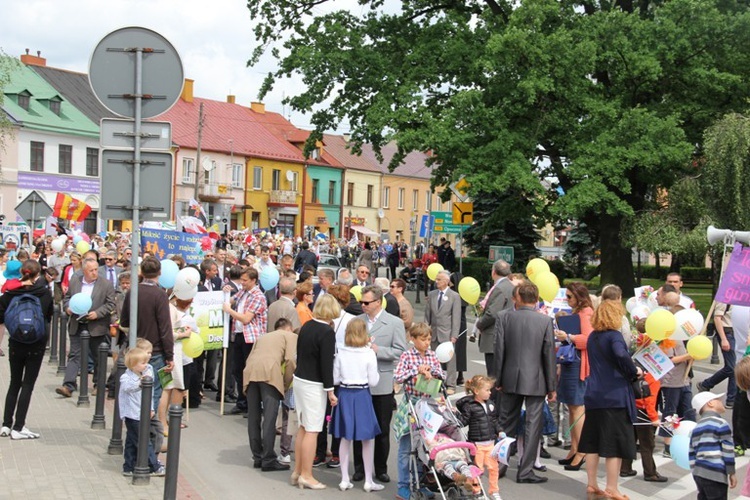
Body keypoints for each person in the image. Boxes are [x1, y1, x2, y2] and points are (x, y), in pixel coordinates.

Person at [578, 300, 641, 500]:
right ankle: (612, 487)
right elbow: (621, 355)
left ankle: (592, 483)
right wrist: (634, 371)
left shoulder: (593, 337)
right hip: (614, 395)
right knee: (614, 443)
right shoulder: (614, 336)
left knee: (592, 441)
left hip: (594, 393)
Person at [494, 281, 556, 484]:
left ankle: (500, 466)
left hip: (510, 376)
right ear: (536, 299)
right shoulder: (545, 321)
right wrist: (551, 386)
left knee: (506, 423)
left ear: (518, 298)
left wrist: (499, 379)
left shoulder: (504, 317)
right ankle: (525, 470)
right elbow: (549, 355)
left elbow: (499, 351)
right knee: (532, 425)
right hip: (536, 379)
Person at [352, 285, 408, 484]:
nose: (363, 306)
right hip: (359, 381)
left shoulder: (394, 323)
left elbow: (401, 351)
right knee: (359, 427)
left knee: (382, 428)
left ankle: (381, 468)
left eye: (366, 302)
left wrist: (378, 350)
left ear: (378, 302)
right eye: (361, 302)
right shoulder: (357, 321)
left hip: (382, 380)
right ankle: (359, 467)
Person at [291, 294, 341, 490]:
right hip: (314, 384)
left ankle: (297, 471)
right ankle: (306, 474)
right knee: (312, 429)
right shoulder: (326, 332)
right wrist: (330, 392)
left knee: (303, 427)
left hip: (300, 379)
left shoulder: (307, 326)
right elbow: (326, 364)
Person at [0, 260, 54, 439]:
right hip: (36, 344)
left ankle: (6, 424)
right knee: (28, 385)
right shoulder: (44, 293)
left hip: (15, 343)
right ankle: (19, 427)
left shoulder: (11, 292)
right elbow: (48, 316)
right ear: (37, 274)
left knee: (14, 382)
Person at [330, 318, 383, 492]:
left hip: (345, 394)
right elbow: (374, 381)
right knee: (367, 438)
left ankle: (344, 479)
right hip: (362, 395)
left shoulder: (340, 353)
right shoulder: (368, 353)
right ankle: (369, 480)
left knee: (345, 438)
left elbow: (335, 379)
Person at [393, 323, 444, 500]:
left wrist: (433, 371)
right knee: (407, 448)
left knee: (425, 448)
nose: (427, 343)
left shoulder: (432, 355)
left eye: (429, 339)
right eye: (423, 339)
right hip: (411, 405)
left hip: (428, 405)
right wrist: (417, 370)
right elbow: (398, 376)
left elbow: (442, 375)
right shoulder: (407, 355)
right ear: (413, 339)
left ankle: (420, 483)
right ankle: (403, 486)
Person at [119, 257, 174, 411]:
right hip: (154, 351)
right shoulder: (160, 295)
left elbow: (124, 321)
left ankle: (138, 423)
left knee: (135, 389)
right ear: (160, 273)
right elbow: (165, 327)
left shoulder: (133, 292)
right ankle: (147, 426)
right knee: (154, 390)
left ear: (142, 272)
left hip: (135, 348)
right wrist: (170, 355)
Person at [57, 258, 116, 398]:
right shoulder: (75, 281)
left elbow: (110, 304)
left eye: (96, 269)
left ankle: (98, 385)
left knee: (98, 356)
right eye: (91, 270)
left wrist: (98, 313)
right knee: (74, 355)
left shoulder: (106, 284)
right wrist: (68, 308)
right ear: (84, 271)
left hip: (96, 325)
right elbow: (67, 298)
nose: (95, 273)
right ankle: (68, 385)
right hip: (77, 323)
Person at [243, 318, 298, 472]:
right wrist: (286, 384)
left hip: (250, 371)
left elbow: (250, 357)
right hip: (270, 373)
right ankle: (268, 458)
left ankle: (258, 456)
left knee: (253, 416)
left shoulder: (263, 336)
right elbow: (291, 361)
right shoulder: (291, 336)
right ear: (290, 328)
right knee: (269, 417)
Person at [553, 282, 594, 471]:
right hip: (572, 362)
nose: (567, 300)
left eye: (569, 296)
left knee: (577, 408)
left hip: (579, 364)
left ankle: (582, 451)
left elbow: (588, 340)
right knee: (572, 407)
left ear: (579, 296)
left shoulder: (586, 313)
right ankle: (575, 448)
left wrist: (568, 337)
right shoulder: (579, 313)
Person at [222, 266, 268, 416]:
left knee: (250, 373)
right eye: (241, 280)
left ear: (254, 280)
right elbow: (231, 300)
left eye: (245, 280)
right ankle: (242, 402)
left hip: (251, 338)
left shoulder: (258, 296)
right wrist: (226, 292)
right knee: (238, 370)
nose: (242, 283)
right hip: (240, 335)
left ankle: (253, 405)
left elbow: (246, 318)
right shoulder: (244, 291)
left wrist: (229, 311)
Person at [119, 347, 165, 477]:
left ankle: (128, 466)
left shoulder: (146, 374)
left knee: (131, 441)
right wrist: (140, 384)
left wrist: (150, 409)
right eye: (143, 363)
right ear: (133, 365)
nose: (146, 365)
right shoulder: (126, 377)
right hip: (132, 415)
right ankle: (153, 466)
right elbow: (127, 388)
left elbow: (148, 395)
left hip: (142, 413)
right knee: (143, 441)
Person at [456, 375, 503, 500]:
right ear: (477, 391)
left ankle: (494, 491)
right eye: (487, 390)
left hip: (491, 442)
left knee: (494, 468)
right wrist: (455, 414)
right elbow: (463, 421)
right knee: (478, 469)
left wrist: (500, 431)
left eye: (490, 390)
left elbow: (494, 420)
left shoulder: (490, 404)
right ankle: (477, 491)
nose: (490, 393)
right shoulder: (470, 406)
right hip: (477, 444)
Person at [618, 372, 667, 482]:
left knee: (630, 440)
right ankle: (650, 473)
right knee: (647, 445)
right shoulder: (653, 379)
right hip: (644, 413)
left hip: (630, 409)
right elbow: (649, 400)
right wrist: (654, 418)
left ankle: (625, 468)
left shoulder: (633, 374)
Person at [690, 391, 736, 499]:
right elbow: (728, 450)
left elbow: (691, 453)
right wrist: (731, 472)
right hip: (716, 472)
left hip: (699, 472)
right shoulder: (721, 423)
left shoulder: (696, 427)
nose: (722, 402)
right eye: (718, 400)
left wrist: (695, 473)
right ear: (710, 403)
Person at [657, 336, 696, 458]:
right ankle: (668, 446)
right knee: (670, 414)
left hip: (684, 380)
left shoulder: (682, 337)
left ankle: (688, 441)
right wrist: (689, 356)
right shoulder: (667, 338)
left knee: (688, 411)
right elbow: (670, 359)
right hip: (671, 381)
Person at [473, 259, 514, 376]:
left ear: (494, 272)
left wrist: (479, 324)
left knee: (493, 374)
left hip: (494, 338)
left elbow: (492, 313)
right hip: (504, 335)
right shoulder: (510, 286)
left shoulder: (500, 288)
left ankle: (494, 395)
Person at [424, 270, 461, 392]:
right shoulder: (432, 295)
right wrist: (425, 331)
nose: (436, 282)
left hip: (447, 333)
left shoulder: (454, 296)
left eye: (439, 279)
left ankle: (451, 384)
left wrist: (454, 335)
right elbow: (427, 315)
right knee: (433, 359)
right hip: (434, 333)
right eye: (436, 279)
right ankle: (435, 383)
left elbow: (456, 317)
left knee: (450, 360)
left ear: (446, 281)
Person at [698, 302, 736, 408]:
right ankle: (731, 399)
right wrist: (723, 339)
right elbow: (717, 318)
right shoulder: (726, 297)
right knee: (732, 367)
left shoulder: (743, 296)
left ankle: (706, 384)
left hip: (738, 332)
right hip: (727, 332)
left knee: (734, 367)